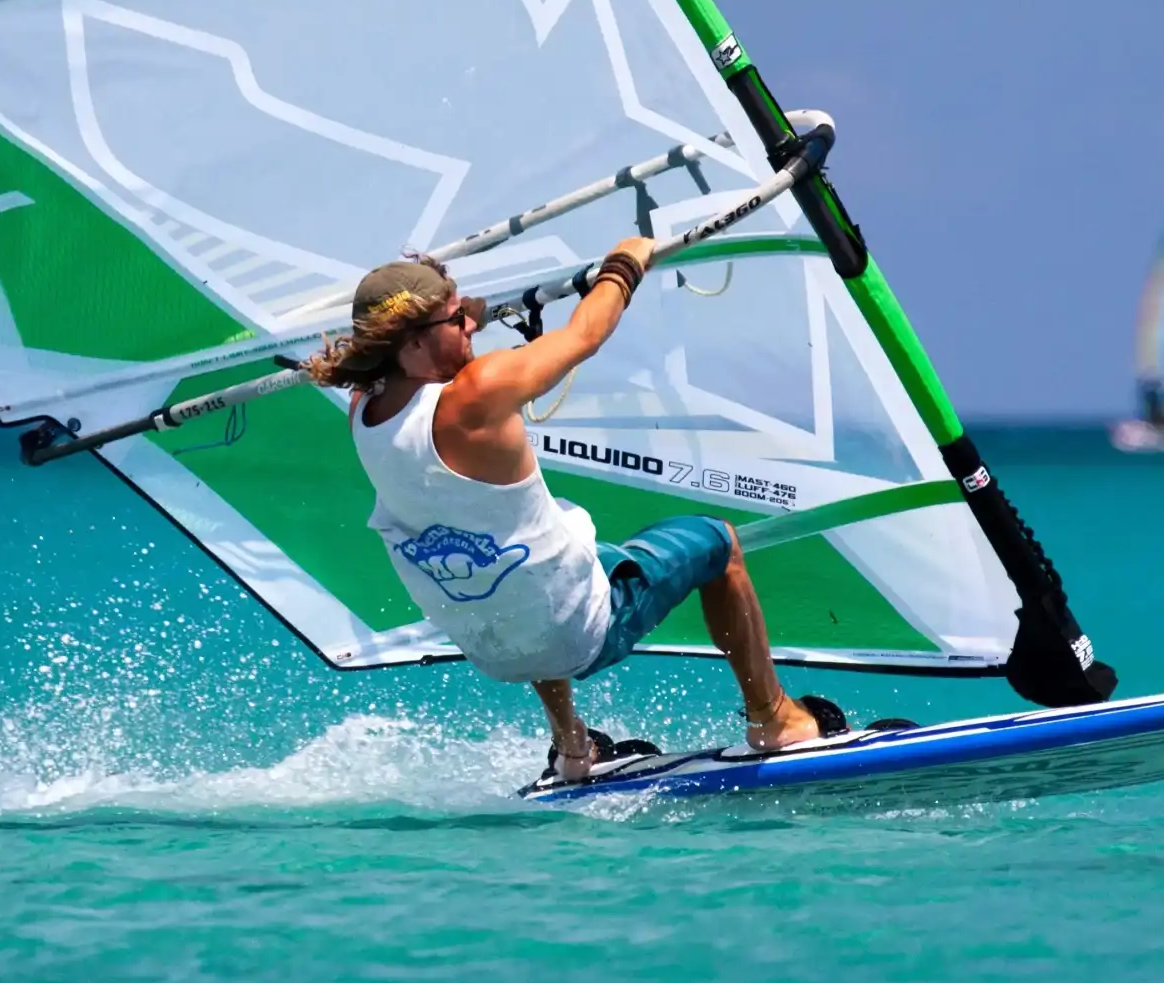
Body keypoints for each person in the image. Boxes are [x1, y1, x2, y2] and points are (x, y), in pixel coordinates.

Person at [309, 242, 829, 784]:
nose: (468, 325)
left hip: (491, 649)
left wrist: (469, 315)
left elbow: (426, 355)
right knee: (716, 543)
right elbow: (584, 335)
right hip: (580, 632)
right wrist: (623, 267)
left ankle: (572, 747)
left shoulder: (364, 412)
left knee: (526, 562)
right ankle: (774, 719)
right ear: (414, 341)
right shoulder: (479, 391)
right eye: (456, 319)